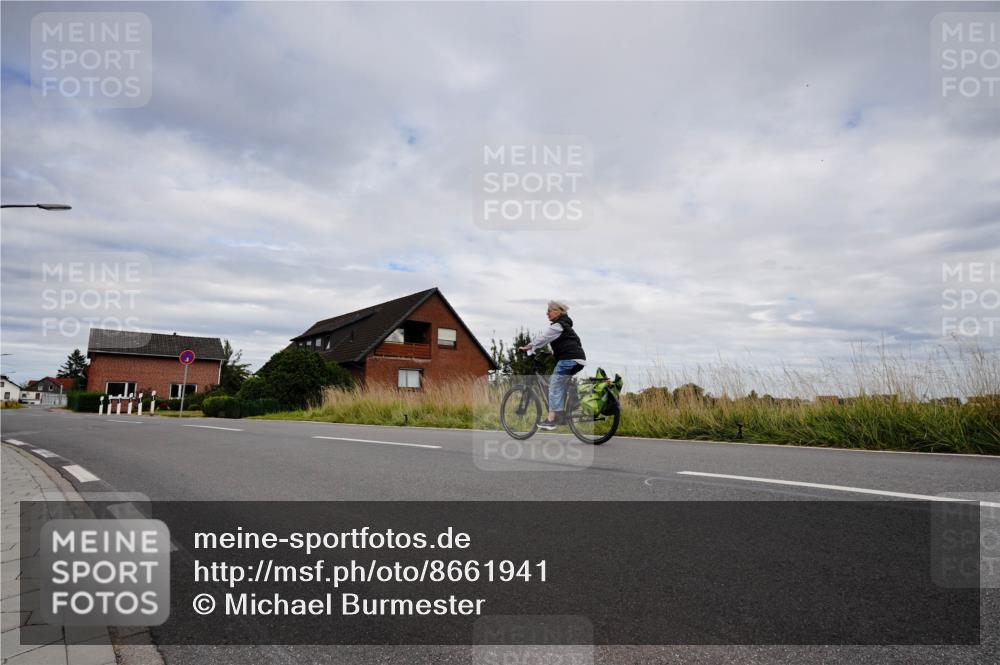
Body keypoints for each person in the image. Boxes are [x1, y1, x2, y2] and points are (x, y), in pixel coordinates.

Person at [519, 300, 586, 430]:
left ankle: (551, 420)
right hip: (578, 359)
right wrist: (553, 354)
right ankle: (568, 408)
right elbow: (570, 343)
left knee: (554, 386)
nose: (547, 313)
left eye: (549, 311)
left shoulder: (558, 326)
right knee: (560, 385)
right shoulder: (566, 326)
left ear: (558, 311)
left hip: (569, 359)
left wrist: (528, 347)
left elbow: (543, 338)